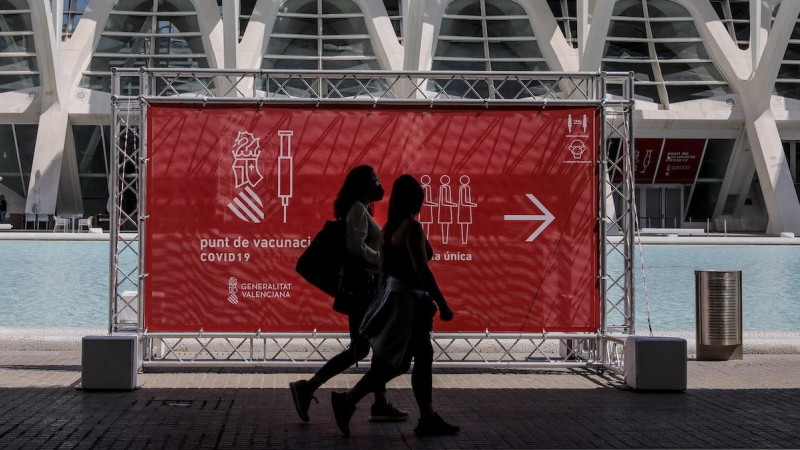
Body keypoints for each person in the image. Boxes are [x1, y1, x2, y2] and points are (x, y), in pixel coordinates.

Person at [330, 174, 460, 437]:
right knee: (415, 358)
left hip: (396, 302)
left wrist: (379, 306)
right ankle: (351, 402)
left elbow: (383, 272)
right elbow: (422, 271)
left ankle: (352, 401)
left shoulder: (389, 229)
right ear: (417, 199)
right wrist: (442, 303)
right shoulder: (411, 228)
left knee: (402, 361)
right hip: (411, 307)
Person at [289, 165, 408, 424]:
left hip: (366, 291)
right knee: (362, 348)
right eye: (375, 181)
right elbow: (356, 248)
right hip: (362, 292)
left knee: (368, 347)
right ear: (363, 185)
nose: (379, 186)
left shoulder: (361, 209)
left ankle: (378, 402)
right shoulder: (357, 208)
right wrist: (382, 261)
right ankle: (309, 388)